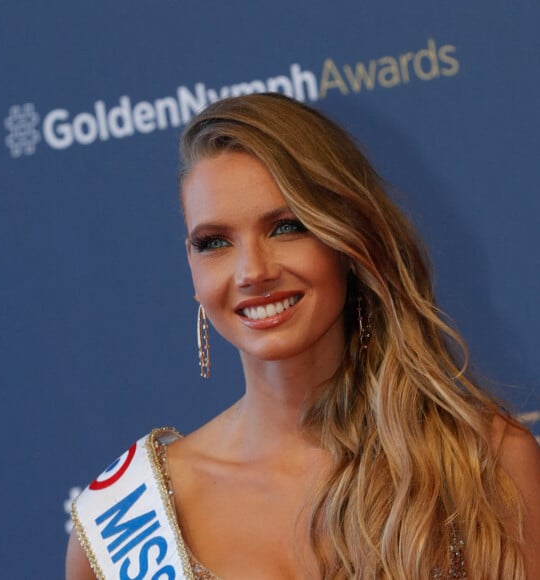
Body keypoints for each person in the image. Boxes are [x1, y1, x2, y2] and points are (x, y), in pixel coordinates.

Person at [66, 93, 540, 579]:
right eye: (214, 243)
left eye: (286, 227)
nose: (252, 271)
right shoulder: (116, 525)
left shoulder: (485, 464)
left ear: (350, 242)